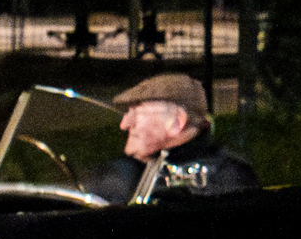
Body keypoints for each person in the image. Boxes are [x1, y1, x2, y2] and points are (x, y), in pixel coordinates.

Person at [87, 73, 258, 204]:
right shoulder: (117, 173)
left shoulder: (225, 179)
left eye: (137, 113)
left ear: (177, 123)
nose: (124, 124)